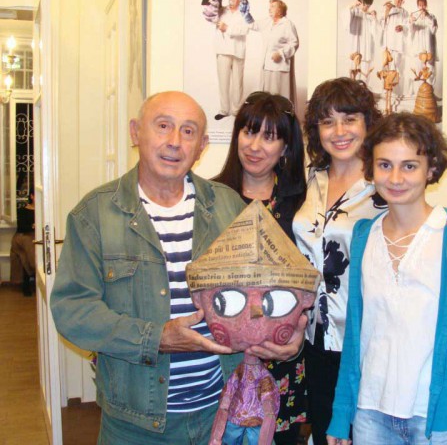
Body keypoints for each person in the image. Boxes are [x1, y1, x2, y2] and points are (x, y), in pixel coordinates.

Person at [50, 91, 304, 444]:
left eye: (188, 131)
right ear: (135, 132)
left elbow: (265, 291)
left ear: (201, 147)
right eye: (163, 126)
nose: (174, 141)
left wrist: (289, 336)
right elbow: (73, 310)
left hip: (221, 415)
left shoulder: (228, 206)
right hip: (135, 425)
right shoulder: (95, 215)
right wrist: (156, 338)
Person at [293, 77, 447, 445]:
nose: (396, 177)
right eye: (327, 121)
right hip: (327, 346)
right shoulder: (316, 182)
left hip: (411, 385)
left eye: (349, 119)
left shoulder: (433, 222)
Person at [214, 91, 308, 445]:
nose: (254, 146)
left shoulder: (302, 205)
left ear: (285, 148)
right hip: (223, 358)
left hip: (282, 354)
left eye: (269, 137)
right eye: (249, 131)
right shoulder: (211, 198)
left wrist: (299, 332)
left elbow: (315, 280)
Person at [213, 0, 251, 120]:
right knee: (223, 81)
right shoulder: (221, 10)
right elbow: (210, 15)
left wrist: (227, 28)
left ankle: (236, 110)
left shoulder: (244, 12)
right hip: (223, 49)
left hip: (238, 51)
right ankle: (224, 110)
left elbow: (245, 30)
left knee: (237, 83)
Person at [253, 0, 299, 101]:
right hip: (266, 66)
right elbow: (253, 24)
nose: (269, 9)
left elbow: (294, 43)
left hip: (279, 67)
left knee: (279, 97)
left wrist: (280, 53)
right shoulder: (267, 22)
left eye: (273, 6)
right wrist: (245, 12)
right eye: (270, 6)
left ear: (280, 10)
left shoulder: (287, 24)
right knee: (266, 97)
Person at [344, 0, 377, 85]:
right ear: (362, 2)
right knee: (353, 72)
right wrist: (353, 5)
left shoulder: (369, 16)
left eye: (369, 6)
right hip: (356, 46)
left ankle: (364, 88)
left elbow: (374, 31)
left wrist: (374, 18)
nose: (367, 8)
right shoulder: (355, 11)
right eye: (366, 5)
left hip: (366, 49)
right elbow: (345, 16)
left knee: (365, 72)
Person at [380, 0, 409, 97]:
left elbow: (408, 26)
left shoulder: (405, 13)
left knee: (396, 68)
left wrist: (402, 27)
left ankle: (394, 91)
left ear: (403, 1)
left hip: (398, 44)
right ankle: (385, 90)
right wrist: (387, 11)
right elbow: (382, 24)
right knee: (386, 67)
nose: (398, 1)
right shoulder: (389, 8)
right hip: (388, 42)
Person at [7, 190, 36, 296]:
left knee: (28, 252)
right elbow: (21, 227)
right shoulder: (23, 210)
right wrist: (33, 226)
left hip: (36, 236)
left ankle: (29, 282)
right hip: (23, 235)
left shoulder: (44, 210)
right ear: (31, 196)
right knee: (28, 246)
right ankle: (33, 271)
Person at [409, 0, 438, 91]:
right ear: (417, 6)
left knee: (430, 70)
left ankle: (430, 93)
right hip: (418, 49)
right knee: (419, 70)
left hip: (429, 48)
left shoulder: (432, 17)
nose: (422, 7)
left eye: (423, 5)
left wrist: (427, 17)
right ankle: (420, 92)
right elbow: (411, 32)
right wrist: (411, 22)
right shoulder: (415, 17)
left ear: (426, 5)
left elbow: (434, 30)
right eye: (420, 5)